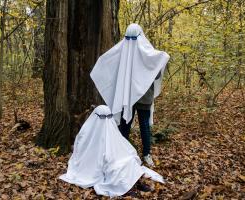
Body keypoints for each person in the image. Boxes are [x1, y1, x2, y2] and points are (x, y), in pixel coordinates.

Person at [90, 24, 170, 166]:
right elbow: (156, 74)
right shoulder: (139, 51)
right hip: (130, 95)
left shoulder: (132, 50)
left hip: (133, 96)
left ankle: (139, 153)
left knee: (131, 124)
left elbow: (155, 73)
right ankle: (137, 153)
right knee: (131, 124)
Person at [59, 105, 165, 197]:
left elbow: (118, 143)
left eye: (108, 117)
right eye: (102, 117)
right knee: (114, 168)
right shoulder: (87, 132)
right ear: (96, 117)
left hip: (113, 156)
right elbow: (83, 150)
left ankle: (135, 184)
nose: (106, 120)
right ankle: (127, 189)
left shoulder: (110, 129)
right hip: (96, 162)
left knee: (130, 160)